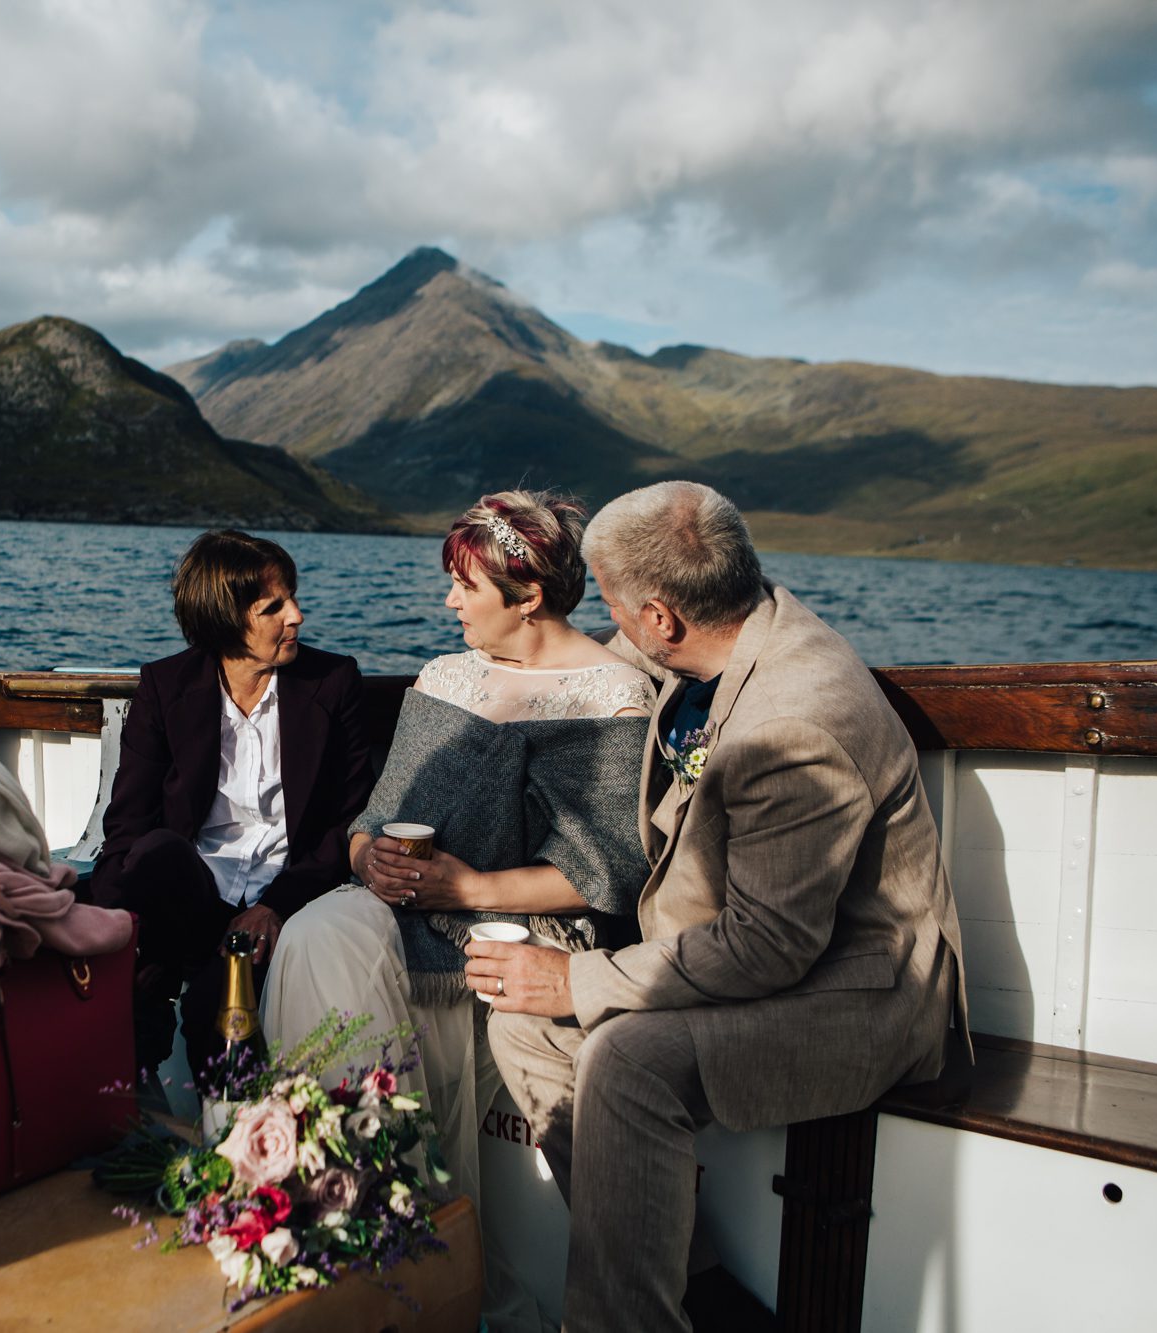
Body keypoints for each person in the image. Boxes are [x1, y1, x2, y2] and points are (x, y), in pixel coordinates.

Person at [476, 481, 967, 1332]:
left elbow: (768, 948)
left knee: (625, 1060)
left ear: (664, 616)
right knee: (520, 1026)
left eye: (617, 607)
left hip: (859, 988)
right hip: (762, 952)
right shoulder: (723, 628)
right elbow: (613, 661)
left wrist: (577, 977)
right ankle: (690, 1279)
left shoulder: (797, 723)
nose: (613, 624)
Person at [260, 490, 654, 1330]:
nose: (447, 602)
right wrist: (371, 857)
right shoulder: (444, 676)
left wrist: (466, 889)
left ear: (529, 596)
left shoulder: (616, 694)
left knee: (400, 992)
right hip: (398, 906)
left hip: (510, 930)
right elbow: (371, 822)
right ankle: (346, 1210)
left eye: (465, 587)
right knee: (317, 932)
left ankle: (399, 1262)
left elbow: (604, 870)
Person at [86, 530, 374, 1092]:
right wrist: (114, 922)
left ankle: (230, 1146)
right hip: (192, 892)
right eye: (274, 607)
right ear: (225, 620)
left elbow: (350, 818)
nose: (297, 615)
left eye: (291, 597)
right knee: (154, 854)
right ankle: (122, 1072)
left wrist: (276, 905)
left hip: (283, 891)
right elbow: (128, 819)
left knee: (216, 1011)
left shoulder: (331, 682)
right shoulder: (166, 686)